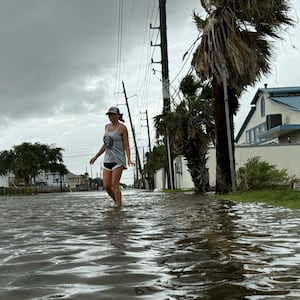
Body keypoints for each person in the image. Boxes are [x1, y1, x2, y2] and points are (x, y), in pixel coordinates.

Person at [89, 106, 134, 207]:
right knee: (106, 186)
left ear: (118, 115)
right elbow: (106, 144)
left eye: (113, 115)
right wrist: (95, 156)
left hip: (118, 160)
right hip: (107, 159)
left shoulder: (122, 128)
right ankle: (118, 203)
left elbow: (126, 145)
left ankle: (118, 207)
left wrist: (129, 159)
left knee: (115, 184)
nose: (111, 117)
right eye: (109, 115)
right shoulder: (106, 127)